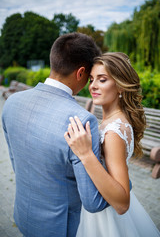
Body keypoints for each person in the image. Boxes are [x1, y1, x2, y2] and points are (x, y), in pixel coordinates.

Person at [1, 32, 109, 237]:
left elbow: (17, 165)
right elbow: (93, 202)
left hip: (24, 216)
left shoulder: (12, 103)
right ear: (81, 73)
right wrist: (122, 183)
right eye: (89, 77)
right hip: (61, 228)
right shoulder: (81, 120)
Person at [64, 52, 160, 237]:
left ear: (121, 86)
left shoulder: (114, 132)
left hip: (106, 217)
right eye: (92, 79)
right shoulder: (114, 122)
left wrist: (85, 154)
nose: (93, 86)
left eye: (102, 80)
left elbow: (122, 203)